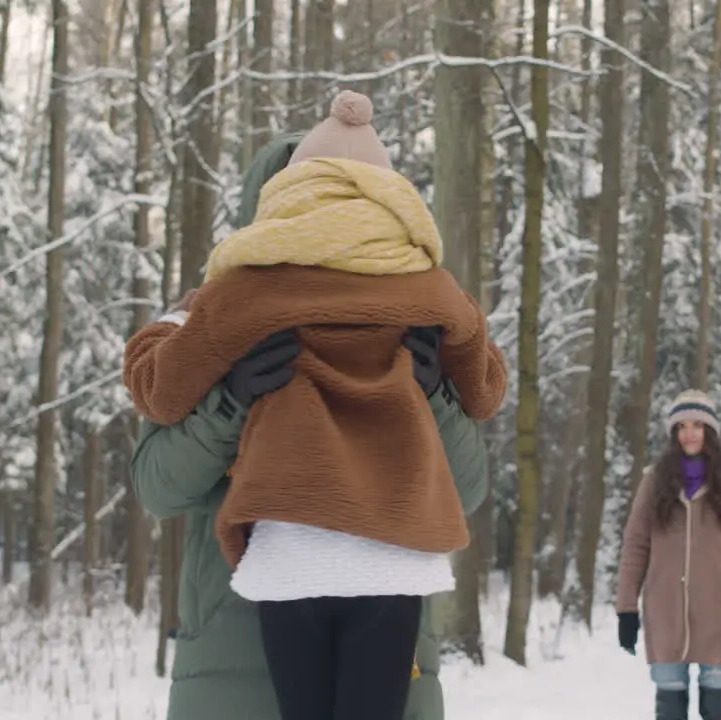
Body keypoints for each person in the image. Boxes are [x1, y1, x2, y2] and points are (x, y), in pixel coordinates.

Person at [127, 97, 501, 720]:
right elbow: (157, 487)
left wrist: (430, 394)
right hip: (231, 662)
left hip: (389, 656)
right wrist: (231, 400)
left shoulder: (411, 320)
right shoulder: (209, 324)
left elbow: (467, 492)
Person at [614, 390, 721, 720]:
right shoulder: (655, 483)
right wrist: (626, 609)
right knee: (669, 709)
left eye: (697, 425)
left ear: (710, 432)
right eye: (682, 426)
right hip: (665, 616)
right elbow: (635, 547)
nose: (690, 434)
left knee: (717, 708)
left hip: (720, 619)